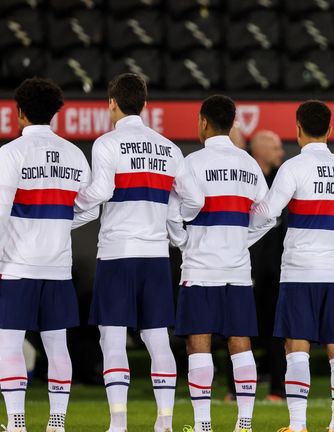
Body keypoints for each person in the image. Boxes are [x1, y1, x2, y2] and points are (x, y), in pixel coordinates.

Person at [74, 73, 185, 432]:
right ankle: (165, 423)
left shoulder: (107, 143)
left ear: (112, 103)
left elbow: (101, 191)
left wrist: (71, 201)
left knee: (113, 337)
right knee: (157, 339)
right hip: (155, 254)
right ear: (145, 104)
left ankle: (118, 424)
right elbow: (186, 202)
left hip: (118, 252)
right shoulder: (169, 148)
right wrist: (176, 234)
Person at [251, 100, 334, 432]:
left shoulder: (293, 168)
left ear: (297, 129)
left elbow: (268, 213)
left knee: (296, 345)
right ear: (330, 130)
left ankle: (298, 425)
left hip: (300, 270)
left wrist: (239, 235)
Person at [167, 95, 272, 432]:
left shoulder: (191, 163)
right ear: (232, 124)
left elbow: (172, 217)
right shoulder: (249, 164)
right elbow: (268, 217)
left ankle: (203, 425)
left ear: (203, 122)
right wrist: (243, 239)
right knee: (240, 343)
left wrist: (184, 242)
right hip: (238, 270)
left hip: (199, 269)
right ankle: (244, 424)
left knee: (198, 342)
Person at [0, 78, 98, 432]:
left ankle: (17, 423)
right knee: (57, 345)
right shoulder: (74, 154)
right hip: (58, 266)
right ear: (55, 113)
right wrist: (56, 223)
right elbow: (90, 211)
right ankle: (56, 424)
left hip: (16, 265)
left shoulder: (10, 154)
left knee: (8, 343)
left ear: (20, 113)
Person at [247, 129, 287, 401]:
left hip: (274, 271)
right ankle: (234, 389)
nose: (280, 154)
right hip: (242, 265)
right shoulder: (245, 177)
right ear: (259, 150)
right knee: (238, 330)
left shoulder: (282, 181)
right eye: (275, 148)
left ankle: (277, 389)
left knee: (276, 332)